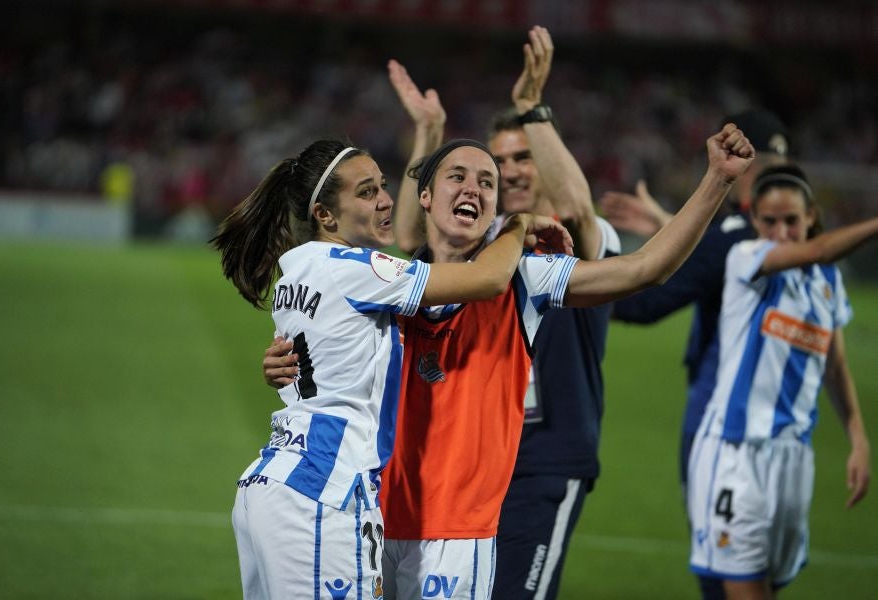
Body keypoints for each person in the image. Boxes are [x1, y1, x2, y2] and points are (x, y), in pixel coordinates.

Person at [268, 120, 753, 599]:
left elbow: (644, 269)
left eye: (487, 183)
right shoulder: (388, 281)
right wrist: (281, 363)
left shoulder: (526, 278)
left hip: (458, 537)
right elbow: (317, 349)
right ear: (426, 197)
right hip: (371, 521)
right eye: (457, 176)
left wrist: (717, 179)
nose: (473, 188)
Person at [210, 138, 570, 599]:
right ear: (325, 214)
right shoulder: (361, 269)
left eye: (382, 186)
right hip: (324, 490)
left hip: (270, 481)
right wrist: (516, 225)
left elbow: (306, 356)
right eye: (367, 192)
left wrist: (273, 366)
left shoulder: (296, 266)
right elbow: (489, 278)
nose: (384, 199)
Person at [387, 26, 621, 599]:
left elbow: (574, 207)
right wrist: (430, 136)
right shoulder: (491, 238)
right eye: (502, 159)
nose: (513, 170)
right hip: (472, 459)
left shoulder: (573, 235)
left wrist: (532, 111)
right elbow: (412, 232)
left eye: (525, 157)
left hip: (544, 457)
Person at [600, 109, 792, 600]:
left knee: (722, 568)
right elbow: (729, 249)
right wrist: (668, 223)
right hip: (784, 424)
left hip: (719, 417)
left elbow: (645, 303)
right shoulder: (790, 237)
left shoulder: (732, 238)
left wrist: (575, 292)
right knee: (758, 568)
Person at [687, 164, 875, 598]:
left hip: (794, 455)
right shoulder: (747, 260)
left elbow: (835, 365)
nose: (780, 231)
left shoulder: (827, 282)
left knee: (770, 585)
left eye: (791, 220)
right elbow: (823, 250)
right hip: (736, 452)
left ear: (810, 217)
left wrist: (859, 440)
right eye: (769, 221)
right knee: (746, 588)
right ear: (755, 221)